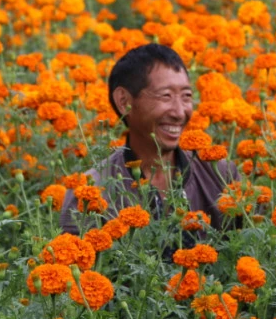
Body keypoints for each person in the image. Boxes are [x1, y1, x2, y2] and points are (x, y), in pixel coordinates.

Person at [59, 43, 240, 242]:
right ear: (124, 101)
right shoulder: (90, 193)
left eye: (186, 96)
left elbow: (254, 248)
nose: (179, 112)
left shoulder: (222, 177)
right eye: (166, 96)